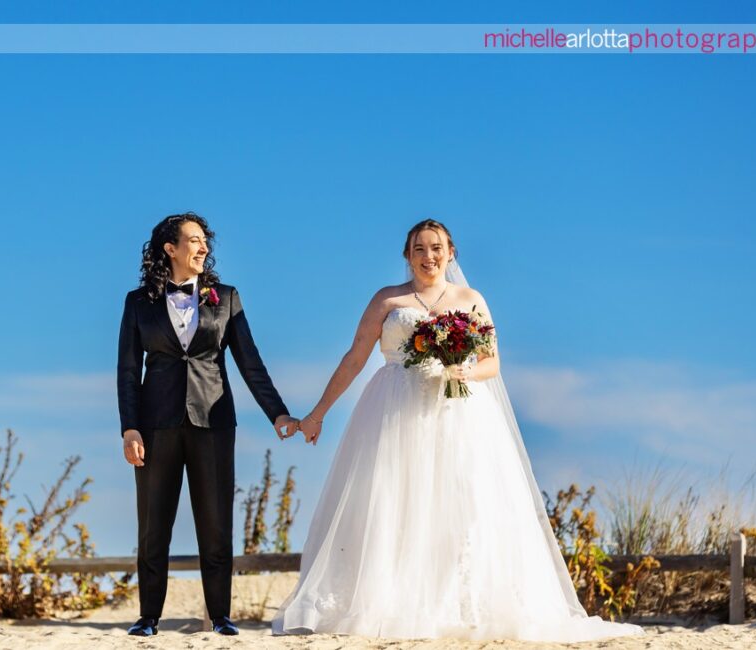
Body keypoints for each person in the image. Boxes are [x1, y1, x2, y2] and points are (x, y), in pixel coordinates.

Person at [272, 219, 645, 642]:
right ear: (406, 255)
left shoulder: (470, 299)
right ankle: (389, 600)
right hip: (393, 410)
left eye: (436, 248)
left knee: (461, 501)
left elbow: (493, 362)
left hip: (458, 412)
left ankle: (455, 603)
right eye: (418, 249)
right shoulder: (387, 300)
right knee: (393, 500)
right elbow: (356, 357)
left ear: (451, 253)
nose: (428, 256)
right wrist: (318, 412)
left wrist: (463, 369)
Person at [117, 212, 300, 637]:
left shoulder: (227, 296)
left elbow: (250, 362)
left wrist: (278, 413)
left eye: (204, 241)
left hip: (214, 423)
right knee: (153, 524)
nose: (203, 248)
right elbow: (128, 370)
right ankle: (148, 617)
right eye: (194, 241)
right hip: (155, 425)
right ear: (170, 249)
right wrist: (129, 428)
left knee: (216, 522)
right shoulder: (137, 302)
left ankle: (220, 616)